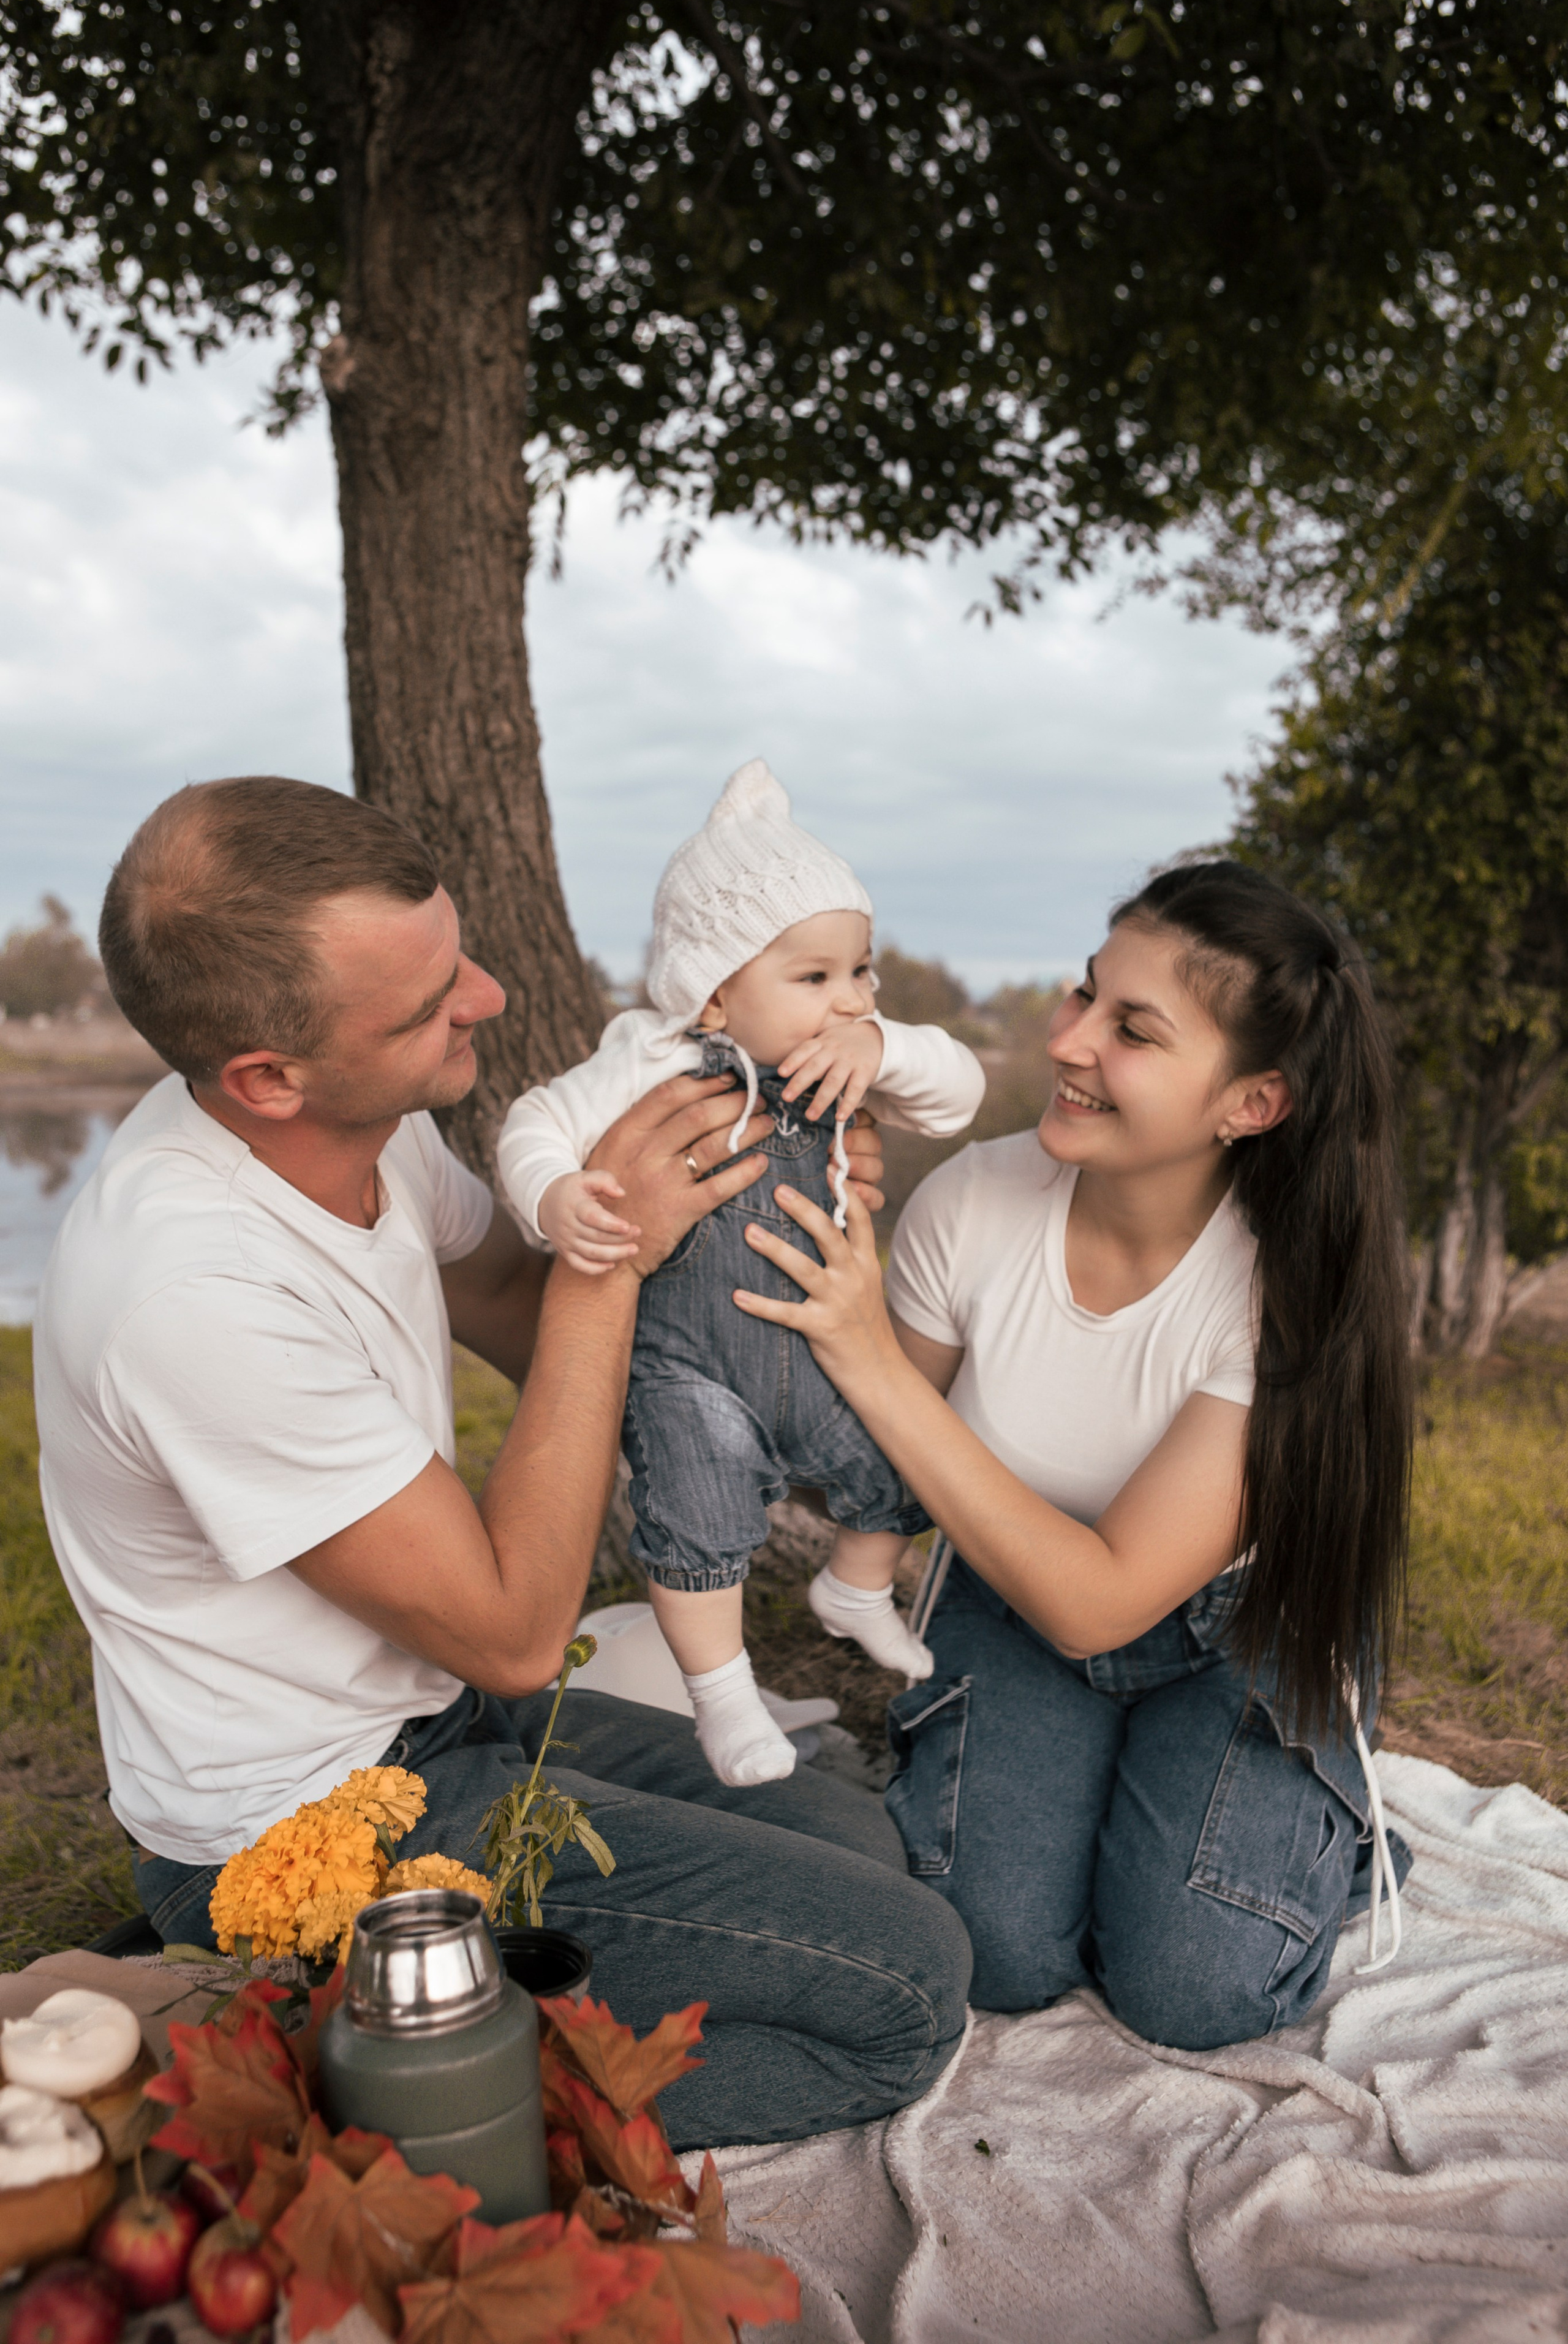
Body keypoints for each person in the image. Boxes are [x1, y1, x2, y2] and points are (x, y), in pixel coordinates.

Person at [32, 776, 971, 2149]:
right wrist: (611, 1256)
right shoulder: (191, 1291)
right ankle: (293, 2074)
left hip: (433, 1730)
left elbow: (529, 1330)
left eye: (454, 954)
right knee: (903, 1992)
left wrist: (724, 1218)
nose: (484, 996)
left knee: (856, 1845)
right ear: (266, 1078)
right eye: (424, 1006)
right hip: (302, 1835)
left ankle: (368, 2015)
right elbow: (519, 1630)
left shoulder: (365, 1130)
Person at [729, 861, 1415, 2050]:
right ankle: (1125, 1806)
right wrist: (766, 1210)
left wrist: (874, 1360)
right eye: (1080, 997)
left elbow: (1100, 1601)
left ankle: (1326, 1826)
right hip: (1008, 1597)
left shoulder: (1278, 1292)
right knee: (994, 1956)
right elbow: (856, 1457)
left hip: (1232, 1630)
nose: (1070, 1044)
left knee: (1195, 1992)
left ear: (1247, 1104)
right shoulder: (972, 1203)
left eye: (1132, 1031)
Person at [497, 760, 984, 1786]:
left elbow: (960, 1095)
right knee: (697, 1493)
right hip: (693, 1368)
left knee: (914, 1454)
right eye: (815, 979)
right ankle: (723, 1701)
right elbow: (536, 1120)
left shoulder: (850, 1059)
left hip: (819, 1349)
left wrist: (887, 1045)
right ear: (714, 990)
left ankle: (856, 1588)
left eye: (863, 973)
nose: (848, 999)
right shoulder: (652, 1059)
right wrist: (554, 1195)